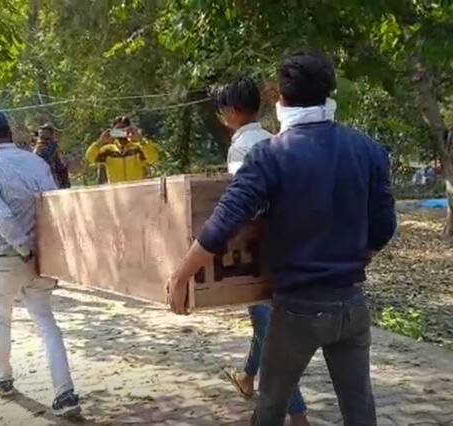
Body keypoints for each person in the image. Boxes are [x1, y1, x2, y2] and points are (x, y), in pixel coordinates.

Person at [166, 51, 396, 426]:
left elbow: (224, 222)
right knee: (359, 409)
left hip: (297, 310)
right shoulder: (368, 149)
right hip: (352, 305)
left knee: (271, 406)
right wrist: (357, 258)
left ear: (280, 97)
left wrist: (181, 276)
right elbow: (384, 226)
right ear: (329, 93)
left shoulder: (269, 156)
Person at [0, 110, 80, 416]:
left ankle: (3, 378)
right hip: (42, 256)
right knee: (46, 320)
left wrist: (22, 248)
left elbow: (1, 215)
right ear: (10, 133)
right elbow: (56, 204)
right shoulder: (36, 162)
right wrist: (44, 251)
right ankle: (65, 394)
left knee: (0, 318)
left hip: (4, 257)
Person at [214, 77, 309, 426]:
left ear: (232, 111)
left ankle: (297, 414)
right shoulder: (276, 139)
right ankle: (246, 377)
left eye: (222, 110)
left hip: (258, 250)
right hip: (290, 244)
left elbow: (245, 203)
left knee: (269, 331)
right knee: (263, 321)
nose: (221, 116)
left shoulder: (240, 149)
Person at [85, 116, 159, 183]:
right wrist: (100, 142)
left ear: (129, 129)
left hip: (136, 189)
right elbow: (90, 158)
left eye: (123, 128)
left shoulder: (138, 148)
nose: (121, 132)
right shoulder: (108, 150)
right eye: (118, 129)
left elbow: (153, 158)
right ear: (113, 131)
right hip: (117, 191)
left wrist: (140, 140)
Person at [34, 123, 71, 189]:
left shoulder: (54, 147)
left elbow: (60, 165)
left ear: (51, 136)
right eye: (40, 137)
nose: (42, 140)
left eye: (46, 138)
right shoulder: (37, 148)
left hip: (54, 178)